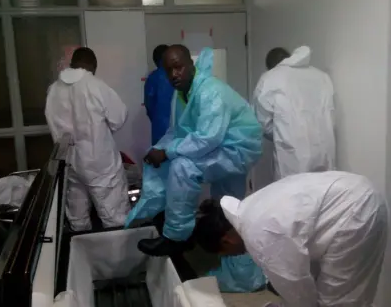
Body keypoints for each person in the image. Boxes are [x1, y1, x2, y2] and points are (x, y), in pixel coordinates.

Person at [125, 45, 263, 256]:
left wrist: (167, 152)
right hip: (225, 146)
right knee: (229, 210)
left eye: (178, 67)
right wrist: (160, 148)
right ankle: (239, 275)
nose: (174, 75)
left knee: (183, 167)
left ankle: (177, 238)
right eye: (168, 70)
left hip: (236, 149)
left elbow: (208, 138)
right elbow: (179, 130)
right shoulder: (183, 94)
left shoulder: (210, 92)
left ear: (191, 65)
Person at [194, 171, 388, 307]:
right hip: (357, 193)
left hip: (353, 212)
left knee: (341, 301)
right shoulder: (251, 207)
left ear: (227, 240)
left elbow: (296, 287)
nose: (235, 255)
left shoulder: (260, 236)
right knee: (342, 294)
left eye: (226, 253)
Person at [45, 47, 130, 231]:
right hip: (100, 164)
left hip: (70, 162)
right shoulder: (95, 85)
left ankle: (82, 255)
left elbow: (53, 122)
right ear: (93, 66)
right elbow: (119, 118)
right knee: (114, 217)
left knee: (78, 219)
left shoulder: (53, 90)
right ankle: (116, 256)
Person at [253, 46, 335, 180]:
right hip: (324, 153)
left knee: (293, 196)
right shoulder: (322, 77)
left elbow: (264, 124)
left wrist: (285, 133)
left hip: (292, 158)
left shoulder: (269, 79)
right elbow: (330, 114)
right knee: (323, 194)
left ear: (271, 66)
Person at [144, 44, 174, 145]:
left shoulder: (152, 78)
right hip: (181, 129)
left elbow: (149, 105)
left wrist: (157, 119)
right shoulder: (180, 75)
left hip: (160, 129)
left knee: (160, 156)